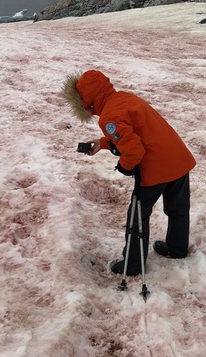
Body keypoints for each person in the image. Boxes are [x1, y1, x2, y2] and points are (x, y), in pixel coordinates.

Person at [63, 70, 196, 275]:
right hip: (177, 158)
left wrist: (124, 167)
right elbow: (134, 131)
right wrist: (103, 142)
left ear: (85, 100)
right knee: (178, 208)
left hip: (155, 167)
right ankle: (177, 248)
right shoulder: (124, 98)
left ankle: (133, 265)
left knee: (138, 216)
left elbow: (134, 151)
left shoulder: (108, 116)